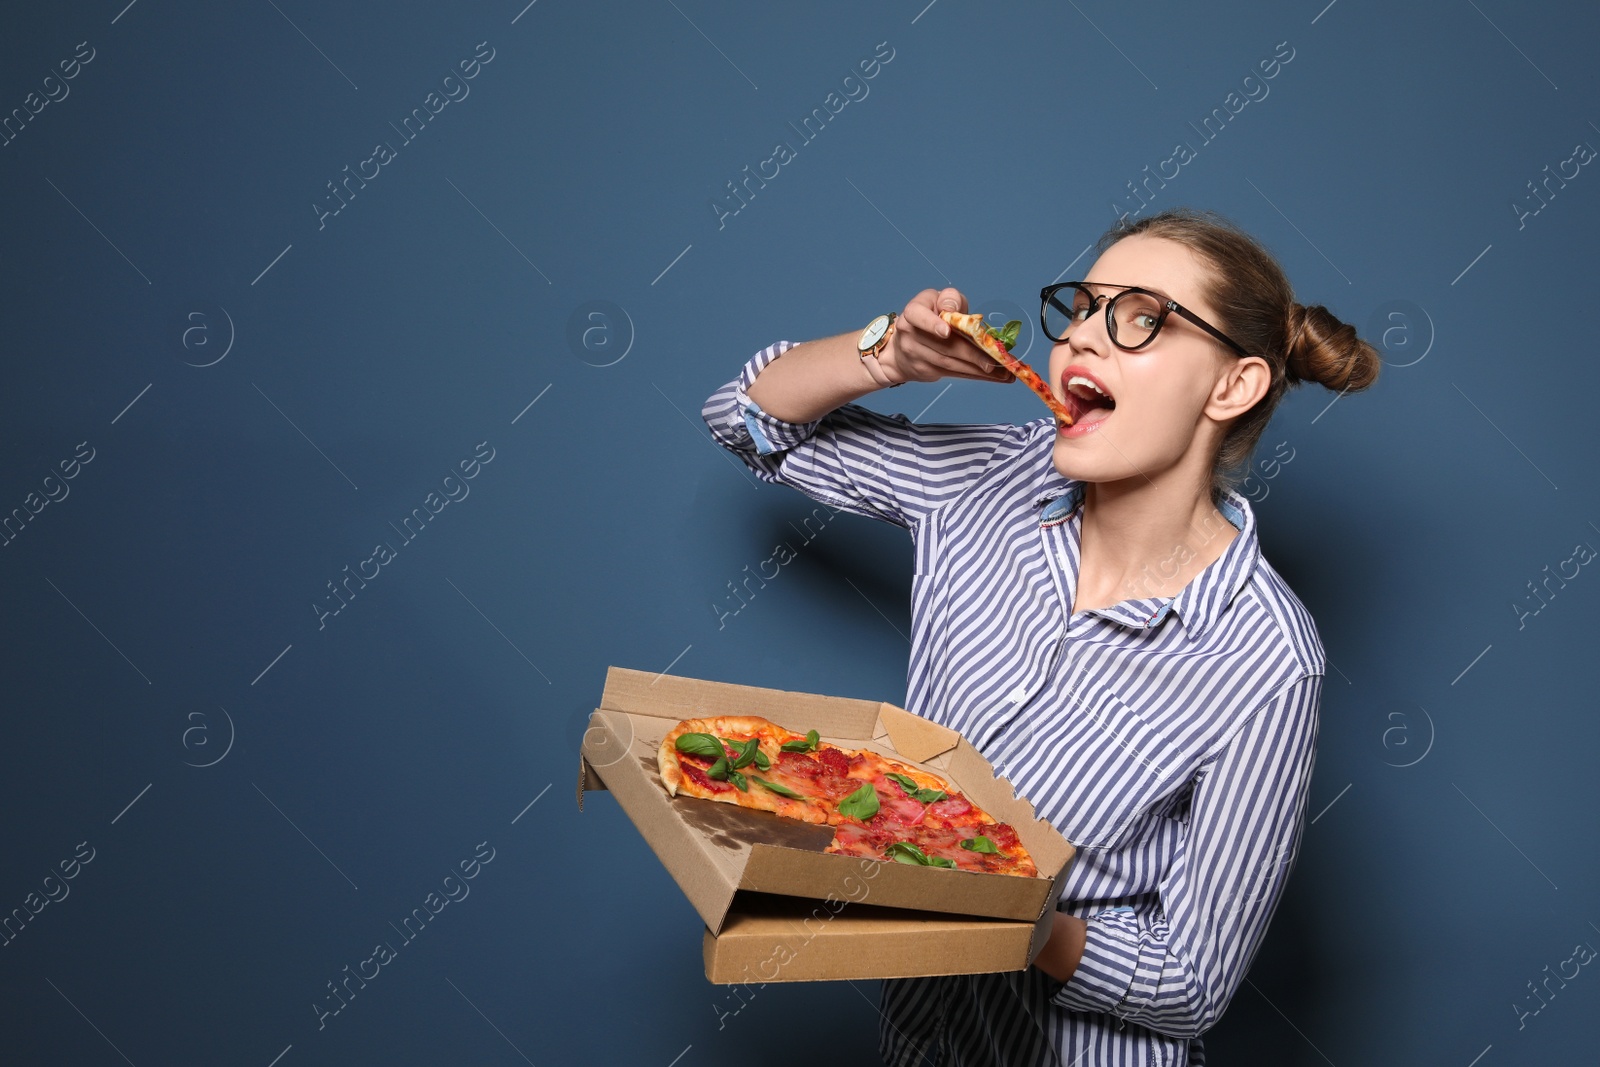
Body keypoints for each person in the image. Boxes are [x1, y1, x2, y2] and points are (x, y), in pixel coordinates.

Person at [699, 206, 1380, 1066]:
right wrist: (890, 356)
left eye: (1141, 320)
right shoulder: (987, 478)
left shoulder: (1266, 657)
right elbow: (745, 419)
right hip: (921, 1042)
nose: (1084, 340)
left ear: (1233, 386)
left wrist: (1014, 913)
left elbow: (1194, 985)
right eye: (1083, 309)